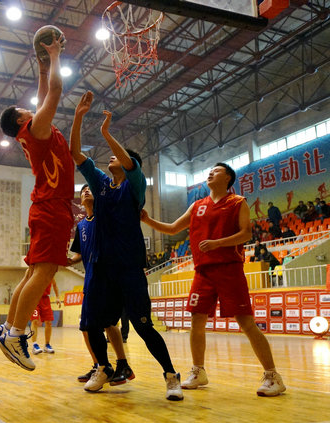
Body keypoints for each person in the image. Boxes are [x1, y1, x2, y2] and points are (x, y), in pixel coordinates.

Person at [69, 91, 183, 400]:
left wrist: (106, 133)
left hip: (130, 267)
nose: (111, 158)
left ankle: (171, 375)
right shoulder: (101, 185)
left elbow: (131, 164)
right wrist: (78, 117)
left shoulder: (135, 187)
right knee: (93, 323)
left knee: (143, 326)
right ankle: (104, 368)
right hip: (103, 268)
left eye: (118, 156)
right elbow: (75, 152)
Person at [141, 162, 286, 397]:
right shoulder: (198, 205)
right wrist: (147, 220)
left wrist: (218, 243)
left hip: (229, 269)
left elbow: (246, 233)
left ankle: (273, 376)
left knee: (246, 323)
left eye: (216, 170)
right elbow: (172, 228)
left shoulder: (238, 202)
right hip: (203, 271)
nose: (210, 173)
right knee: (196, 320)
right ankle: (198, 371)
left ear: (228, 178)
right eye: (209, 170)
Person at [0, 30, 73, 371]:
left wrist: (41, 69)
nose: (31, 107)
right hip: (52, 206)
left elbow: (42, 97)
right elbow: (54, 92)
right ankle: (15, 334)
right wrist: (54, 57)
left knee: (33, 273)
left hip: (46, 204)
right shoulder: (37, 129)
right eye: (25, 109)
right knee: (45, 271)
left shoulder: (32, 129)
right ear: (20, 119)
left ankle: (7, 328)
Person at [68, 184, 134, 388]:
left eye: (90, 189)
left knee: (101, 323)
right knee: (94, 325)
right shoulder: (81, 226)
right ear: (80, 201)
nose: (86, 191)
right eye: (83, 191)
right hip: (91, 279)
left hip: (109, 277)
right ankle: (104, 365)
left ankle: (110, 366)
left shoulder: (106, 216)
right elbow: (78, 254)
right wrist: (65, 261)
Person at [30, 278, 60, 354]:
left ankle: (47, 345)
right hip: (34, 299)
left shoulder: (50, 274)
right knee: (35, 321)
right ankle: (34, 345)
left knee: (49, 322)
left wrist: (57, 297)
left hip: (45, 299)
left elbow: (55, 285)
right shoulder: (34, 272)